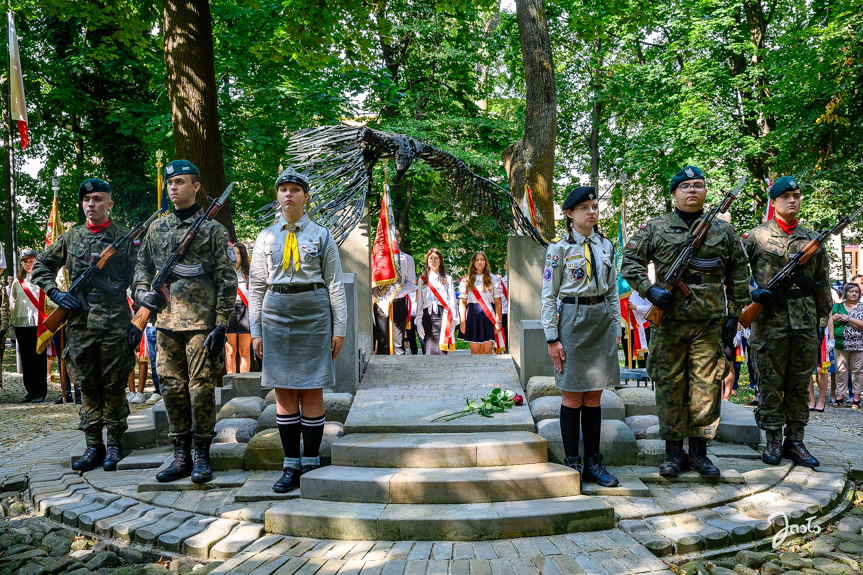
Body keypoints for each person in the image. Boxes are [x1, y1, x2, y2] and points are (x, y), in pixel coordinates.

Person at [622, 166, 749, 478]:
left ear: (705, 192)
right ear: (674, 193)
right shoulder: (655, 227)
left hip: (709, 323)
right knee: (669, 384)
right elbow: (629, 262)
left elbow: (739, 272)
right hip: (669, 322)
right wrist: (650, 290)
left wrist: (735, 315)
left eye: (699, 186)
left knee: (706, 386)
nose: (693, 191)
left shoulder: (723, 230)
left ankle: (700, 454)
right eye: (686, 186)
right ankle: (673, 453)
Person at [133, 160, 236, 484]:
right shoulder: (157, 229)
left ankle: (202, 455)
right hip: (165, 324)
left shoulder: (212, 230)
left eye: (180, 182)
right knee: (173, 390)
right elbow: (142, 266)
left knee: (201, 390)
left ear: (196, 187)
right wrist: (142, 294)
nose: (174, 187)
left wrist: (221, 324)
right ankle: (181, 455)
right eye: (170, 183)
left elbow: (226, 279)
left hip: (202, 325)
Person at [248, 167, 347, 493]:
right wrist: (256, 330)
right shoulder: (266, 237)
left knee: (312, 389)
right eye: (283, 189)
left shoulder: (321, 235)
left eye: (295, 189)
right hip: (276, 318)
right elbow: (257, 287)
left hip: (314, 318)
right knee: (285, 391)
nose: (288, 194)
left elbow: (334, 284)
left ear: (306, 196)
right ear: (277, 196)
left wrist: (340, 327)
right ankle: (290, 465)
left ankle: (311, 461)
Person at [31, 179, 138, 471]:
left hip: (115, 322)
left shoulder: (124, 238)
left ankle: (115, 444)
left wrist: (140, 319)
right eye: (87, 199)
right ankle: (94, 446)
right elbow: (40, 266)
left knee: (114, 384)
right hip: (79, 322)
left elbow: (140, 277)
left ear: (109, 204)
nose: (91, 204)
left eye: (98, 199)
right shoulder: (71, 237)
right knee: (87, 384)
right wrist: (55, 293)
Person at [742, 176, 831, 468]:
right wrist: (752, 293)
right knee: (770, 382)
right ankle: (772, 440)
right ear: (774, 201)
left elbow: (822, 283)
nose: (792, 200)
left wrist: (821, 320)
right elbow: (736, 273)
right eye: (786, 196)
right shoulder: (756, 237)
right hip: (770, 322)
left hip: (805, 322)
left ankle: (796, 440)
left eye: (796, 195)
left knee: (798, 383)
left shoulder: (812, 239)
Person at [542, 186, 621, 487]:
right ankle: (572, 462)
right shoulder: (559, 249)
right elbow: (549, 296)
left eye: (595, 206)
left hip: (601, 319)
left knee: (595, 394)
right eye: (584, 207)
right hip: (573, 321)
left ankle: (593, 462)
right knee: (573, 394)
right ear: (569, 214)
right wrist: (552, 338)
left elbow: (612, 289)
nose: (592, 212)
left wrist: (616, 325)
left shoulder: (605, 246)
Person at [10, 250, 49, 403]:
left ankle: (40, 391)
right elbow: (13, 303)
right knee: (26, 359)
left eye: (31, 261)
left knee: (39, 358)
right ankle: (30, 390)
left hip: (39, 323)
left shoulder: (43, 279)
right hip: (22, 324)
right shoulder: (17, 282)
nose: (28, 264)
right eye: (25, 261)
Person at [373, 230, 416, 355]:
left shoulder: (407, 259)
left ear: (399, 239)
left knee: (398, 341)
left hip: (398, 302)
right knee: (382, 341)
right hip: (381, 303)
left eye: (394, 236)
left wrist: (395, 294)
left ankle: (399, 370)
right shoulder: (376, 259)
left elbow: (411, 283)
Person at [459, 251, 503, 354]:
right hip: (472, 315)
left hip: (488, 315)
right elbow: (463, 302)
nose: (480, 262)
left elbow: (498, 302)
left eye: (482, 260)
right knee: (475, 350)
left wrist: (498, 321)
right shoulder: (466, 280)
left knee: (487, 350)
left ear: (486, 262)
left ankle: (487, 370)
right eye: (477, 260)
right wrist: (462, 321)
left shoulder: (494, 279)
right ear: (473, 262)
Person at [416, 248, 458, 355]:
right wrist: (418, 321)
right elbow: (420, 304)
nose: (433, 261)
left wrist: (454, 322)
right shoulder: (422, 280)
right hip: (428, 317)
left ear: (440, 261)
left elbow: (452, 301)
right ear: (427, 261)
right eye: (431, 258)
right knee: (429, 349)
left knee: (441, 350)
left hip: (443, 317)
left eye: (436, 258)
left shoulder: (447, 279)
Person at [833, 283, 863, 410]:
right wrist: (833, 318)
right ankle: (840, 396)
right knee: (841, 370)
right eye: (851, 291)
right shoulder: (837, 306)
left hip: (859, 344)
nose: (854, 294)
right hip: (840, 343)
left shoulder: (862, 307)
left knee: (857, 371)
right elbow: (829, 322)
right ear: (845, 293)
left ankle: (856, 398)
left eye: (856, 291)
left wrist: (847, 319)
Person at [226, 242, 252, 373]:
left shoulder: (249, 272)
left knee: (244, 350)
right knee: (230, 350)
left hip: (245, 310)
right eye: (232, 253)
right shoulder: (225, 272)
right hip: (230, 310)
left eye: (238, 253)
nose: (235, 256)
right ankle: (230, 381)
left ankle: (244, 381)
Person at [809, 315, 834, 412]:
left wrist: (831, 338)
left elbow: (830, 317)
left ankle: (821, 401)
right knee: (807, 369)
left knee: (821, 369)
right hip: (805, 333)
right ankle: (811, 400)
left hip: (822, 333)